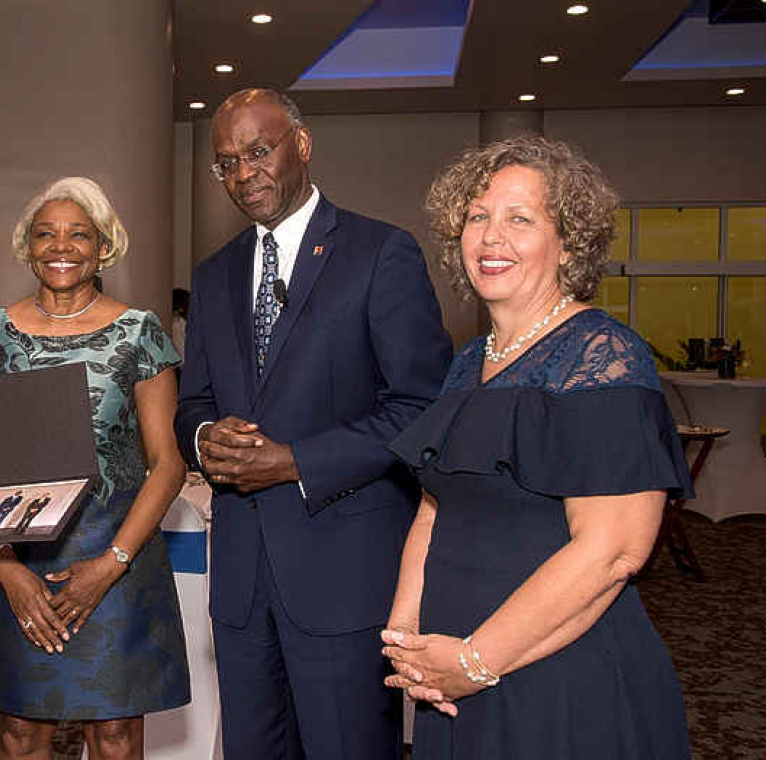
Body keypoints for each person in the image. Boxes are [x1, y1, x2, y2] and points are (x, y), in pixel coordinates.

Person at [382, 135, 692, 758]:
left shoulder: (602, 355)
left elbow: (613, 553)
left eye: (520, 220)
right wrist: (408, 639)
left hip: (556, 672)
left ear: (569, 242)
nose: (491, 237)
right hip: (454, 672)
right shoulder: (469, 362)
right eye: (477, 217)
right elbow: (436, 508)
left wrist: (475, 661)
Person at [174, 88, 452, 758]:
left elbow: (423, 406)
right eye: (226, 162)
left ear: (301, 144)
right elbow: (194, 401)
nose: (243, 173)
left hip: (343, 573)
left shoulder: (380, 253)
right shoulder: (213, 276)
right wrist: (204, 437)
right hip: (241, 580)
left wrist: (297, 460)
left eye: (258, 151)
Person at [0, 176, 190, 759]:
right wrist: (3, 566)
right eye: (46, 234)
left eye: (79, 234)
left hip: (118, 553)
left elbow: (168, 465)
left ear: (104, 246)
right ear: (27, 246)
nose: (62, 246)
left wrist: (112, 564)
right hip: (14, 553)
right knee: (22, 732)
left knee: (115, 735)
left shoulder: (140, 331)